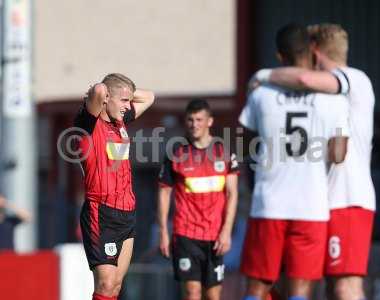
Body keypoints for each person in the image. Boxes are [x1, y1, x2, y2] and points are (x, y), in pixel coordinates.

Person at [254, 23, 375, 300]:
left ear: (315, 52)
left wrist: (263, 75)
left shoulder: (352, 78)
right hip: (317, 202)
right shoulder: (322, 94)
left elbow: (305, 80)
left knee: (345, 285)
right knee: (296, 283)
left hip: (347, 198)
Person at [239, 24, 350, 300]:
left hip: (269, 202)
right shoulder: (333, 100)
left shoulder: (261, 95)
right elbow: (338, 155)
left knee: (258, 287)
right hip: (311, 204)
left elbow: (243, 146)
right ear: (312, 52)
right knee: (300, 290)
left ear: (280, 56)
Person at [74, 73, 154, 300]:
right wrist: (107, 90)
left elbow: (149, 96)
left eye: (129, 101)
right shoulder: (87, 123)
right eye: (124, 101)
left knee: (116, 285)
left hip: (127, 213)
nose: (128, 106)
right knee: (106, 284)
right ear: (107, 99)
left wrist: (125, 91)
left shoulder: (120, 123)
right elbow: (99, 89)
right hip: (101, 211)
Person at [158, 99, 239, 300]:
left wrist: (227, 232)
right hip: (186, 233)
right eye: (190, 120)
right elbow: (164, 193)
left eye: (199, 119)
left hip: (215, 235)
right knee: (192, 292)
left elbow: (232, 194)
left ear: (209, 121)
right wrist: (163, 233)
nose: (194, 124)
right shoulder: (175, 154)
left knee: (213, 295)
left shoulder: (224, 153)